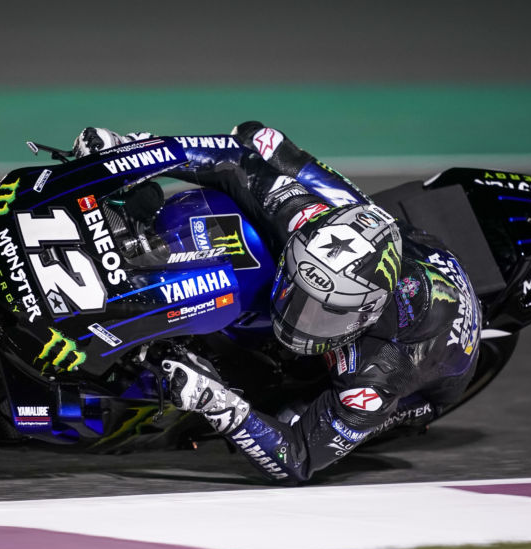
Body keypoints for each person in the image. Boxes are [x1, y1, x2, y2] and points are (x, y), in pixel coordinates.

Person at [74, 123, 482, 484]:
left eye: (324, 314)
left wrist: (218, 403)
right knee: (263, 144)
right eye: (298, 292)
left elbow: (298, 459)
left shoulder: (381, 371)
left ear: (365, 314)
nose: (299, 319)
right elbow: (235, 161)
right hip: (405, 244)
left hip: (427, 380)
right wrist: (130, 152)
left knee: (282, 417)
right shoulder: (305, 221)